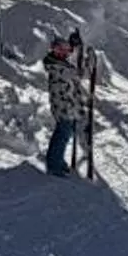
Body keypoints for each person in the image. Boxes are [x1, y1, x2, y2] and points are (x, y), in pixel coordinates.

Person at [42, 30, 87, 177]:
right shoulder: (57, 68)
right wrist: (84, 60)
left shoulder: (60, 63)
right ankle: (54, 164)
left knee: (65, 134)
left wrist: (75, 48)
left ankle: (58, 161)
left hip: (67, 105)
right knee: (62, 134)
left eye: (65, 50)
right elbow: (78, 73)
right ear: (53, 50)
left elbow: (72, 68)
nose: (63, 53)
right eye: (59, 50)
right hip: (63, 106)